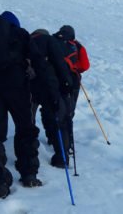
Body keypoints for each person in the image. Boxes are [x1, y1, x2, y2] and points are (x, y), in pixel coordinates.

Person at [0, 11, 64, 199]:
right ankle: (29, 174)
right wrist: (52, 94)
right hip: (16, 86)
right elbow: (39, 64)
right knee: (25, 129)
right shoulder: (19, 34)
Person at [28, 28, 76, 168]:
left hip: (29, 85)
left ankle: (31, 148)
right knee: (57, 119)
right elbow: (60, 64)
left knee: (28, 118)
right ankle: (61, 157)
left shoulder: (26, 41)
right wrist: (67, 83)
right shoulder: (49, 41)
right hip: (49, 85)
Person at [52, 25, 89, 162]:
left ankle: (53, 138)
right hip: (72, 82)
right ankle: (68, 144)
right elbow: (85, 66)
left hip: (54, 81)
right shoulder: (77, 46)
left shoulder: (53, 41)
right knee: (68, 111)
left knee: (55, 111)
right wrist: (74, 68)